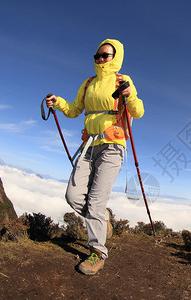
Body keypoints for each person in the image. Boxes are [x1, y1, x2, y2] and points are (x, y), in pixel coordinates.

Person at [45, 38, 144, 275]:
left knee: (96, 202)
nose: (100, 59)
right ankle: (104, 218)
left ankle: (98, 252)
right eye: (97, 56)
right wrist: (57, 103)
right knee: (73, 195)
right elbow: (74, 110)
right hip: (89, 146)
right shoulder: (88, 83)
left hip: (112, 147)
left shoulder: (123, 81)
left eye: (105, 55)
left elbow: (138, 112)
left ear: (115, 57)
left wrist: (129, 95)